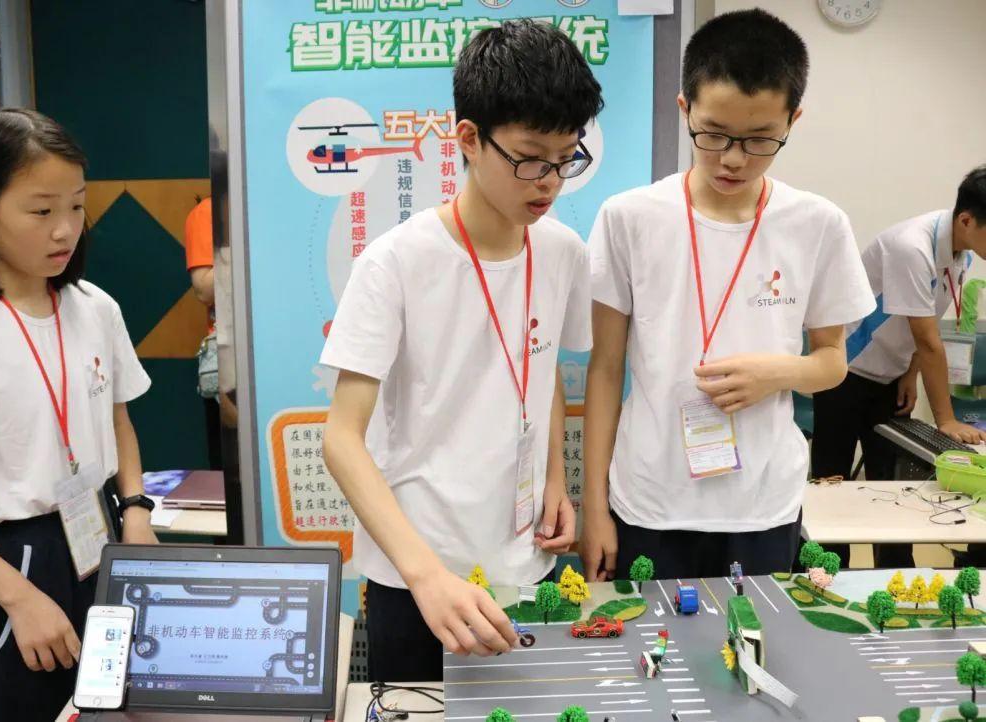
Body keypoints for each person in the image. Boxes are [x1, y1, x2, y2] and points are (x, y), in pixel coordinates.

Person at [321, 19, 602, 681]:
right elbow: (341, 439)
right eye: (530, 159)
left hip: (526, 560)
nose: (550, 181)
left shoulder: (563, 252)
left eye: (567, 158)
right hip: (417, 576)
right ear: (469, 139)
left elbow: (541, 373)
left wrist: (556, 481)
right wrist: (425, 576)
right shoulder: (395, 263)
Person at [582, 8, 875, 583]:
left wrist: (776, 373)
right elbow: (606, 368)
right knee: (652, 639)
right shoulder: (629, 218)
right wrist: (594, 507)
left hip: (763, 504)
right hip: (649, 499)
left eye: (760, 139)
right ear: (684, 109)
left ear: (792, 119)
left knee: (755, 637)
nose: (733, 158)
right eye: (713, 134)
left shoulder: (817, 224)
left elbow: (832, 362)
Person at [0, 109, 157, 722]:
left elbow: (118, 420)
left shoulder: (95, 306)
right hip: (12, 558)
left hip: (100, 530)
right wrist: (19, 598)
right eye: (41, 211)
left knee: (116, 706)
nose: (65, 230)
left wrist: (136, 510)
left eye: (77, 205)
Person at [812, 165, 986, 569]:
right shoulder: (912, 247)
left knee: (893, 488)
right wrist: (946, 420)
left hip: (889, 374)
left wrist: (909, 374)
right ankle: (825, 575)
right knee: (832, 483)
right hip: (844, 372)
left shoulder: (960, 252)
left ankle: (896, 574)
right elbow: (928, 339)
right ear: (966, 220)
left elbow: (922, 321)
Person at [184, 196, 223, 469]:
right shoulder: (208, 211)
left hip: (291, 348)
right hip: (235, 362)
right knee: (233, 468)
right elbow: (205, 289)